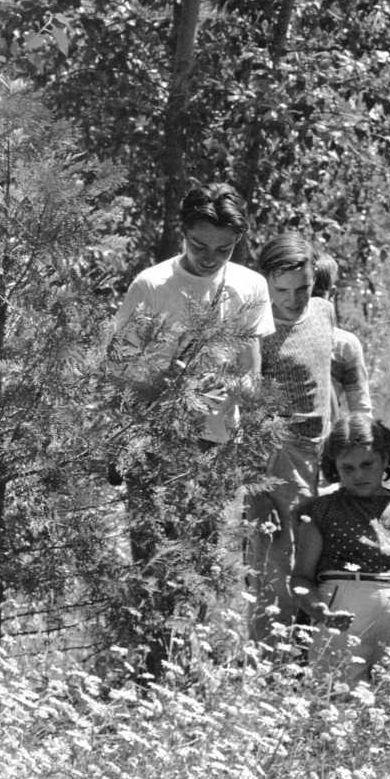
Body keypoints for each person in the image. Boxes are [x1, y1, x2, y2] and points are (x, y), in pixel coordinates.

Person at [108, 184, 274, 671]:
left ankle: (186, 660)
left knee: (202, 557)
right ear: (183, 233)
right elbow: (119, 367)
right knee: (154, 554)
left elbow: (252, 371)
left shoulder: (249, 286)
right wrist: (166, 380)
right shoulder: (152, 285)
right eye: (199, 246)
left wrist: (234, 389)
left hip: (217, 441)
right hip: (155, 437)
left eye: (223, 249)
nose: (209, 258)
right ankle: (152, 662)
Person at [247, 233, 337, 639]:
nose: (294, 298)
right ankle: (268, 659)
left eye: (303, 286)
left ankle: (306, 655)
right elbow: (244, 412)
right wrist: (257, 488)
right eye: (281, 289)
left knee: (317, 561)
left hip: (322, 456)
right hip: (278, 458)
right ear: (265, 282)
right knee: (276, 567)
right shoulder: (256, 331)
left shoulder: (323, 312)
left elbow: (324, 381)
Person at [289, 416, 390, 692]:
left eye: (367, 464)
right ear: (334, 468)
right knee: (337, 692)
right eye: (347, 468)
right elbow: (301, 577)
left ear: (385, 459)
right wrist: (318, 610)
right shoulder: (320, 511)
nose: (358, 475)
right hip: (342, 608)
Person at [310, 250, 373, 424]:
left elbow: (361, 410)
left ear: (331, 294)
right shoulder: (273, 336)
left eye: (317, 296)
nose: (309, 304)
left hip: (326, 438)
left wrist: (360, 443)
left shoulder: (344, 345)